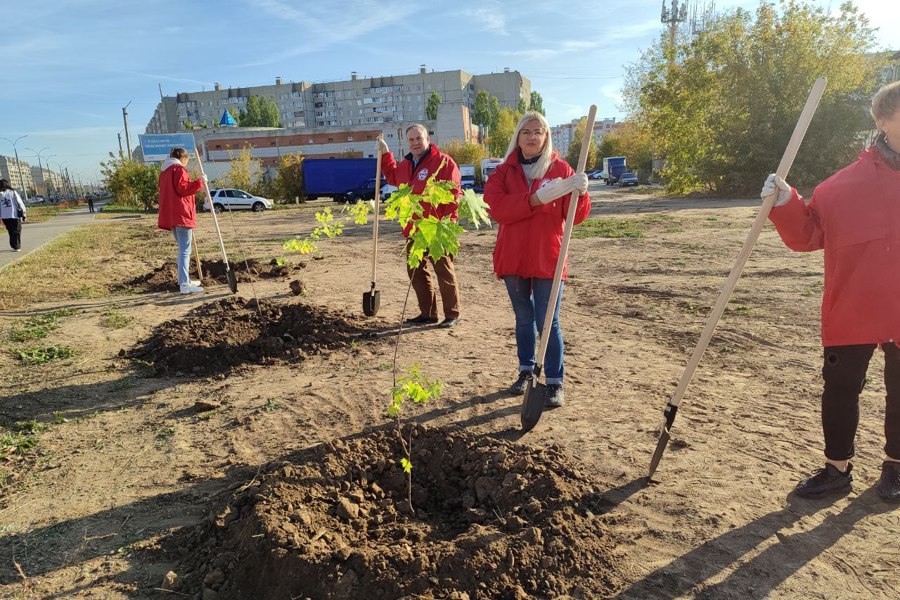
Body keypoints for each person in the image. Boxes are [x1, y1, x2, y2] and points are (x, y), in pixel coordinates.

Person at [765, 80, 900, 502]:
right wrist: (785, 201)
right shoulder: (844, 186)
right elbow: (808, 234)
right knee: (840, 388)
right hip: (854, 304)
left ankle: (896, 468)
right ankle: (836, 469)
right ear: (881, 120)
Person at [483, 111, 590, 408]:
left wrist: (580, 193)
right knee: (523, 319)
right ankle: (525, 371)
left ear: (546, 137)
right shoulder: (503, 172)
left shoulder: (562, 170)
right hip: (514, 257)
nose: (532, 137)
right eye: (526, 131)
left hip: (547, 258)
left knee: (547, 320)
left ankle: (555, 382)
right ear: (517, 137)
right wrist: (534, 200)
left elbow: (576, 217)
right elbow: (499, 209)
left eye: (538, 131)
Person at [376, 124, 462, 328]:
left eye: (418, 138)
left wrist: (446, 225)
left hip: (436, 228)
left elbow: (453, 195)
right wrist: (385, 153)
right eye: (411, 140)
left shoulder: (443, 162)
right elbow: (393, 177)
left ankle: (452, 313)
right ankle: (428, 313)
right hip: (413, 228)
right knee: (416, 270)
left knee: (443, 270)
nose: (415, 143)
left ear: (427, 139)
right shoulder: (406, 165)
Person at [158, 147, 206, 294]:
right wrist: (200, 182)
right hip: (182, 214)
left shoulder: (164, 172)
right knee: (185, 250)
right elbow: (183, 189)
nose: (186, 163)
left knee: (183, 250)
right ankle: (184, 284)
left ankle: (185, 280)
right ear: (183, 158)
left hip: (171, 215)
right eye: (187, 160)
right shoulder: (178, 169)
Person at [0, 178, 27, 252]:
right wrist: (24, 213)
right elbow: (20, 203)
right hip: (14, 215)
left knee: (11, 231)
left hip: (5, 216)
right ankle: (16, 246)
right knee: (17, 230)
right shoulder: (13, 192)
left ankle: (14, 244)